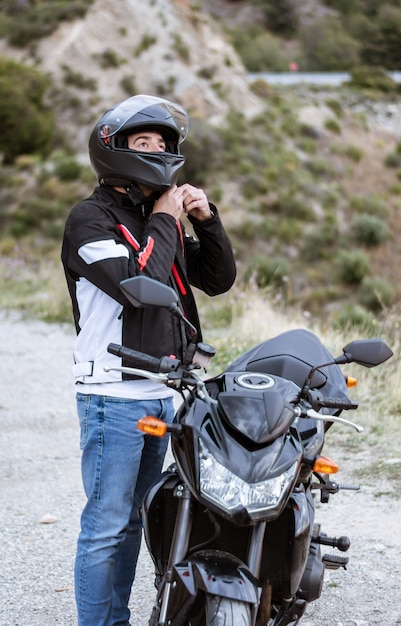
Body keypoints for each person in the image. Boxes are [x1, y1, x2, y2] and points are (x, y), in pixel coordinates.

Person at [61, 94, 236, 626]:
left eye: (163, 144)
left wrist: (205, 221)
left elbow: (217, 280)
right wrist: (165, 218)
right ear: (113, 150)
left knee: (136, 521)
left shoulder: (154, 220)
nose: (157, 152)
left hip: (160, 394)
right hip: (112, 394)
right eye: (144, 143)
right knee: (106, 525)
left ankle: (119, 617)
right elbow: (140, 288)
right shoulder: (90, 221)